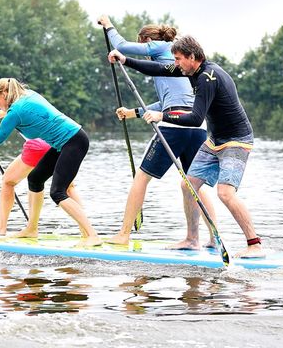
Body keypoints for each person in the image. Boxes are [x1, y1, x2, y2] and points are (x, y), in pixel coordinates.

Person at [108, 35, 264, 258]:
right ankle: (192, 240)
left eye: (179, 59)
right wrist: (125, 60)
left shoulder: (207, 78)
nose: (176, 64)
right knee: (187, 185)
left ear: (192, 57)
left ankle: (255, 244)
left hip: (236, 141)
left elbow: (194, 117)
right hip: (215, 140)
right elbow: (158, 69)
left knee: (225, 193)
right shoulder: (191, 70)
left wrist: (162, 115)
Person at [97, 15, 218, 248]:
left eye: (142, 44)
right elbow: (166, 104)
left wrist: (109, 25)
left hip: (173, 126)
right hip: (197, 127)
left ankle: (123, 235)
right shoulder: (174, 65)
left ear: (146, 40)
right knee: (194, 184)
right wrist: (133, 112)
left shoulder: (162, 47)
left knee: (141, 178)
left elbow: (121, 46)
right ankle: (210, 238)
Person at [0, 62, 101, 246]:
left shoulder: (15, 113)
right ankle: (31, 229)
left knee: (58, 192)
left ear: (5, 95)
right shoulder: (23, 93)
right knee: (36, 178)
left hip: (74, 141)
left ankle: (92, 235)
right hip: (64, 142)